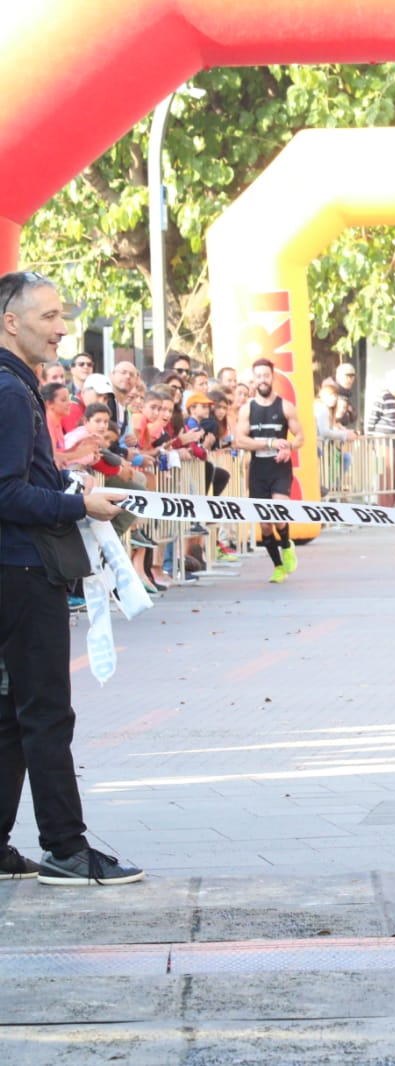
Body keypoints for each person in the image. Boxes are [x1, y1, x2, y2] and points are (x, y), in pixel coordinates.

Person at [0, 270, 144, 885]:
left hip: (16, 568)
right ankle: (66, 848)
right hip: (22, 570)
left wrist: (65, 487)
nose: (62, 328)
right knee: (46, 713)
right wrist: (76, 505)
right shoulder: (10, 392)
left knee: (13, 713)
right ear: (12, 321)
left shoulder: (18, 386)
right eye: (49, 317)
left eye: (62, 316)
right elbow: (6, 493)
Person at [234, 357, 304, 584]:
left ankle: (286, 544)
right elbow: (240, 440)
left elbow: (301, 436)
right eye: (258, 377)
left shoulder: (285, 406)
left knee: (278, 511)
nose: (262, 380)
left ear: (272, 378)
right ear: (253, 380)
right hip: (258, 468)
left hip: (279, 467)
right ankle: (278, 567)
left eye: (266, 376)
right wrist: (269, 443)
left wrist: (289, 447)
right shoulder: (247, 409)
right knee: (264, 523)